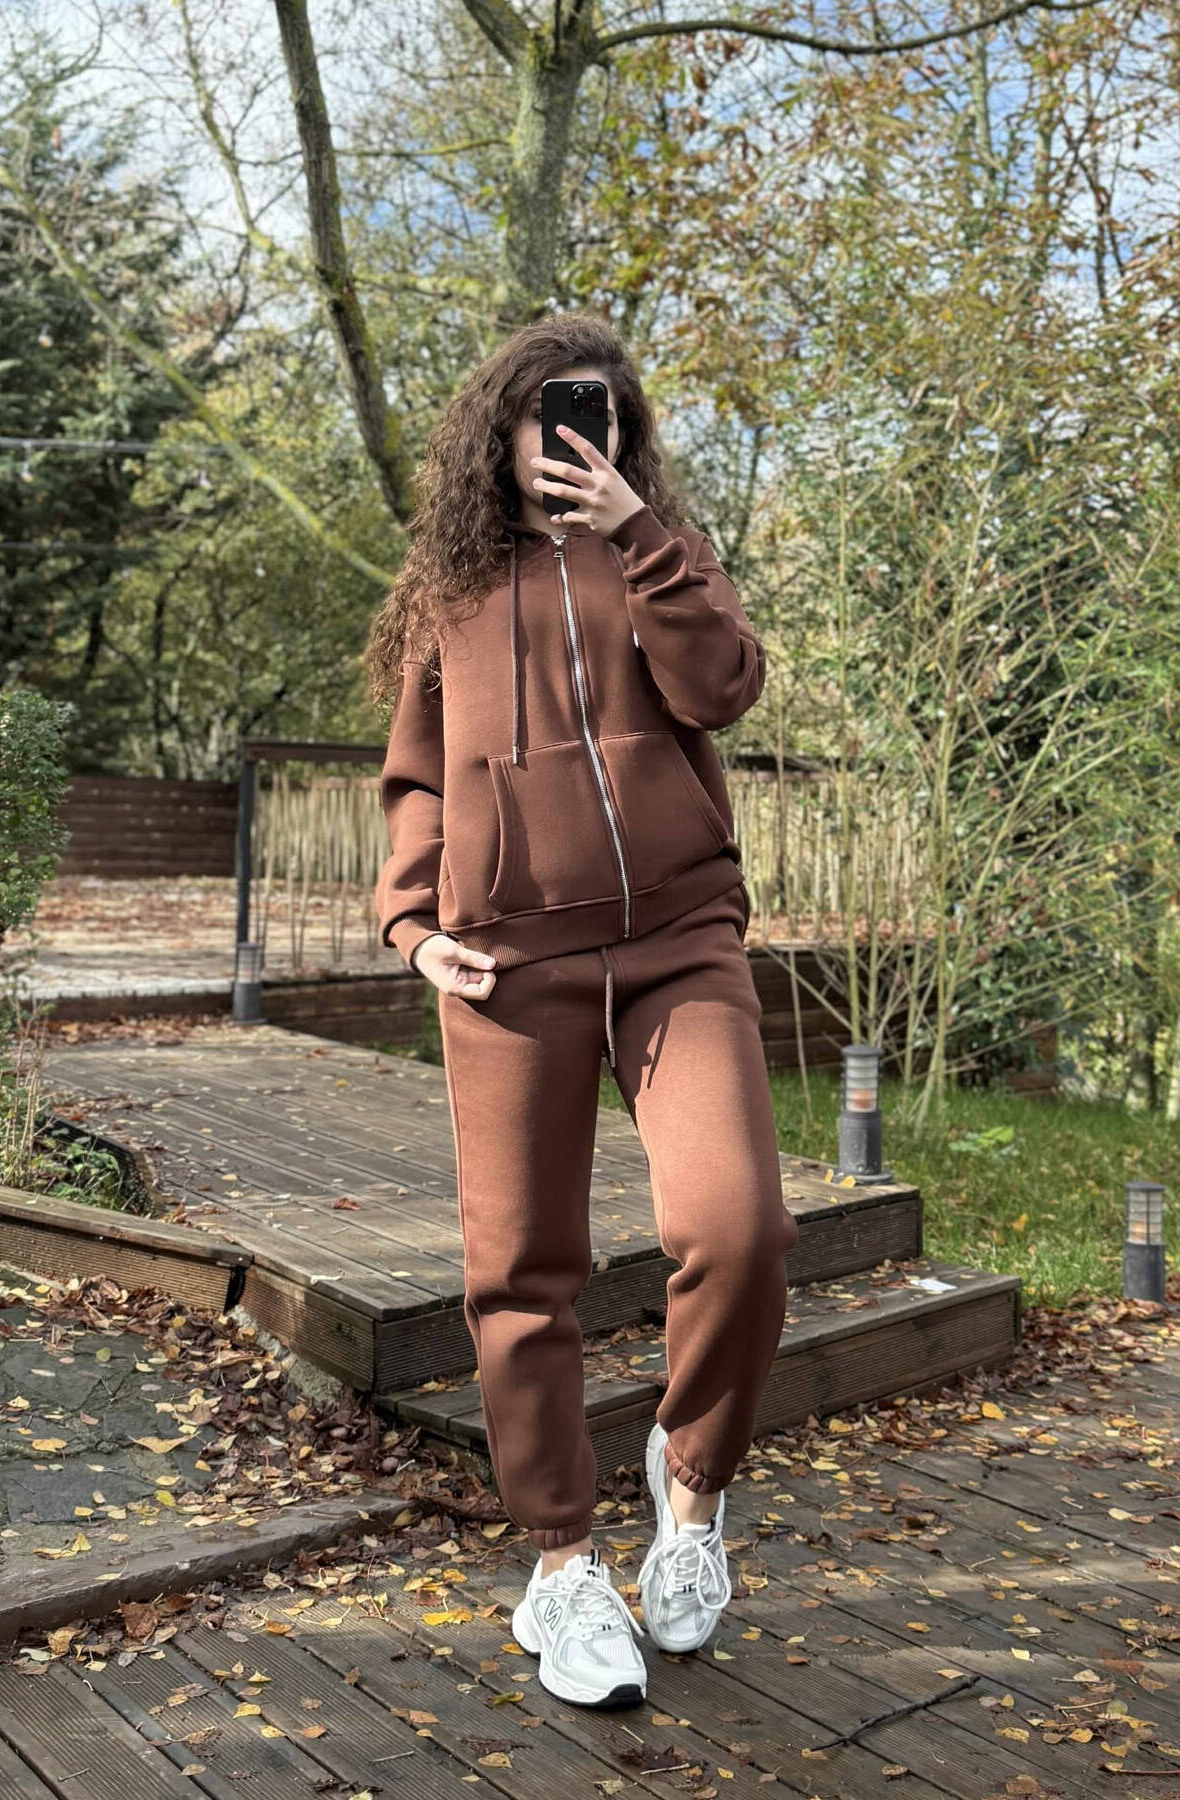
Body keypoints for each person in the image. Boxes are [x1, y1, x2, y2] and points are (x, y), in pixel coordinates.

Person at [367, 311, 798, 1711]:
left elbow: (722, 688)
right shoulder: (450, 591)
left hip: (679, 942)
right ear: (499, 433)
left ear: (627, 436)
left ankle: (692, 1491)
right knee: (521, 1271)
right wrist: (414, 924)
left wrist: (638, 538)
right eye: (550, 416)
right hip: (509, 961)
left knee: (741, 1228)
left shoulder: (663, 552)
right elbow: (416, 775)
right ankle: (561, 1565)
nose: (574, 439)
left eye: (602, 417)